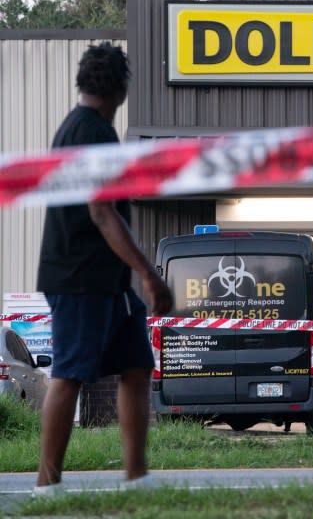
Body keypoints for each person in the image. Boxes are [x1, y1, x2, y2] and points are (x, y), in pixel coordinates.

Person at [34, 42, 173, 495]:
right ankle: (45, 484)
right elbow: (101, 212)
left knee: (135, 365)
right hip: (79, 279)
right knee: (70, 375)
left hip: (108, 283)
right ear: (121, 89)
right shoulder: (88, 132)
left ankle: (136, 477)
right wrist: (149, 275)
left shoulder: (86, 129)